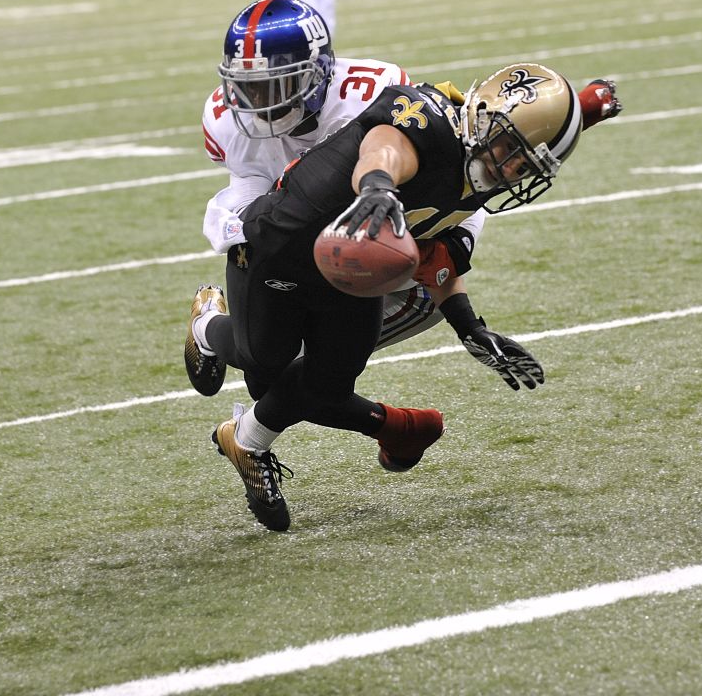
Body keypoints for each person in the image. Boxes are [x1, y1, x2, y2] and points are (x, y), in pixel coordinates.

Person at [185, 59, 612, 532]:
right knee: (263, 360)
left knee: (330, 378)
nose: (510, 169)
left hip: (350, 263)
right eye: (510, 148)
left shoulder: (481, 180)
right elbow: (385, 145)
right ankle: (208, 325)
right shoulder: (429, 117)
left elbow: (440, 262)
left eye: (524, 165)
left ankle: (247, 440)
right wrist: (378, 187)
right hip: (278, 243)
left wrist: (471, 327)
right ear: (484, 115)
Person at [190, 0, 621, 397]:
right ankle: (215, 329)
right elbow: (258, 188)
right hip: (294, 208)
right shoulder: (226, 119)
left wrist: (580, 111)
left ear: (319, 72)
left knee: (320, 359)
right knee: (264, 366)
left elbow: (467, 141)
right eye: (250, 88)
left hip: (376, 213)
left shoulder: (369, 90)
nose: (261, 104)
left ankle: (338, 413)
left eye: (277, 87)